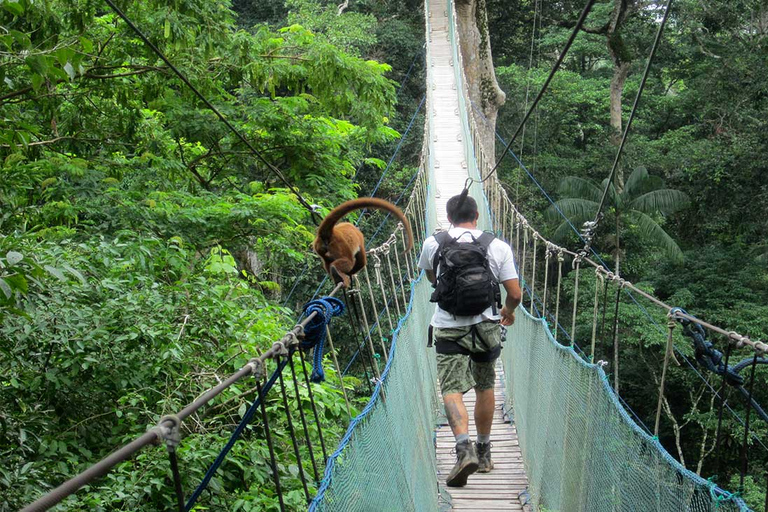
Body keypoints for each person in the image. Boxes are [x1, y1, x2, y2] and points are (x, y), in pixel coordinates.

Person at [418, 193, 521, 487]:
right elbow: (514, 294)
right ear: (477, 216)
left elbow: (433, 280)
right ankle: (485, 452)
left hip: (448, 326)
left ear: (449, 218)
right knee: (485, 385)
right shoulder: (497, 246)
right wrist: (508, 312)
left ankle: (464, 450)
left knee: (451, 388)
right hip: (486, 326)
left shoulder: (433, 243)